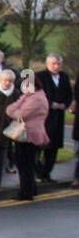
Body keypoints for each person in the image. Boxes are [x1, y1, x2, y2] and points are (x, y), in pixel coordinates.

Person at [6, 70, 50, 202]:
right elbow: (15, 108)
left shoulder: (36, 99)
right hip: (30, 134)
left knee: (25, 164)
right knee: (28, 163)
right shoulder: (32, 96)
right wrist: (22, 100)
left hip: (28, 135)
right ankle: (31, 189)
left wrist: (14, 107)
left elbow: (18, 113)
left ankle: (26, 192)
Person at [36, 53, 72, 182]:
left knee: (54, 147)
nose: (56, 66)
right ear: (47, 64)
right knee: (39, 146)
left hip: (58, 117)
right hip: (43, 117)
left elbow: (69, 94)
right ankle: (38, 172)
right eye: (54, 64)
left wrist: (65, 104)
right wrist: (51, 104)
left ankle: (47, 173)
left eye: (59, 64)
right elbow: (36, 95)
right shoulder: (39, 76)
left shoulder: (64, 77)